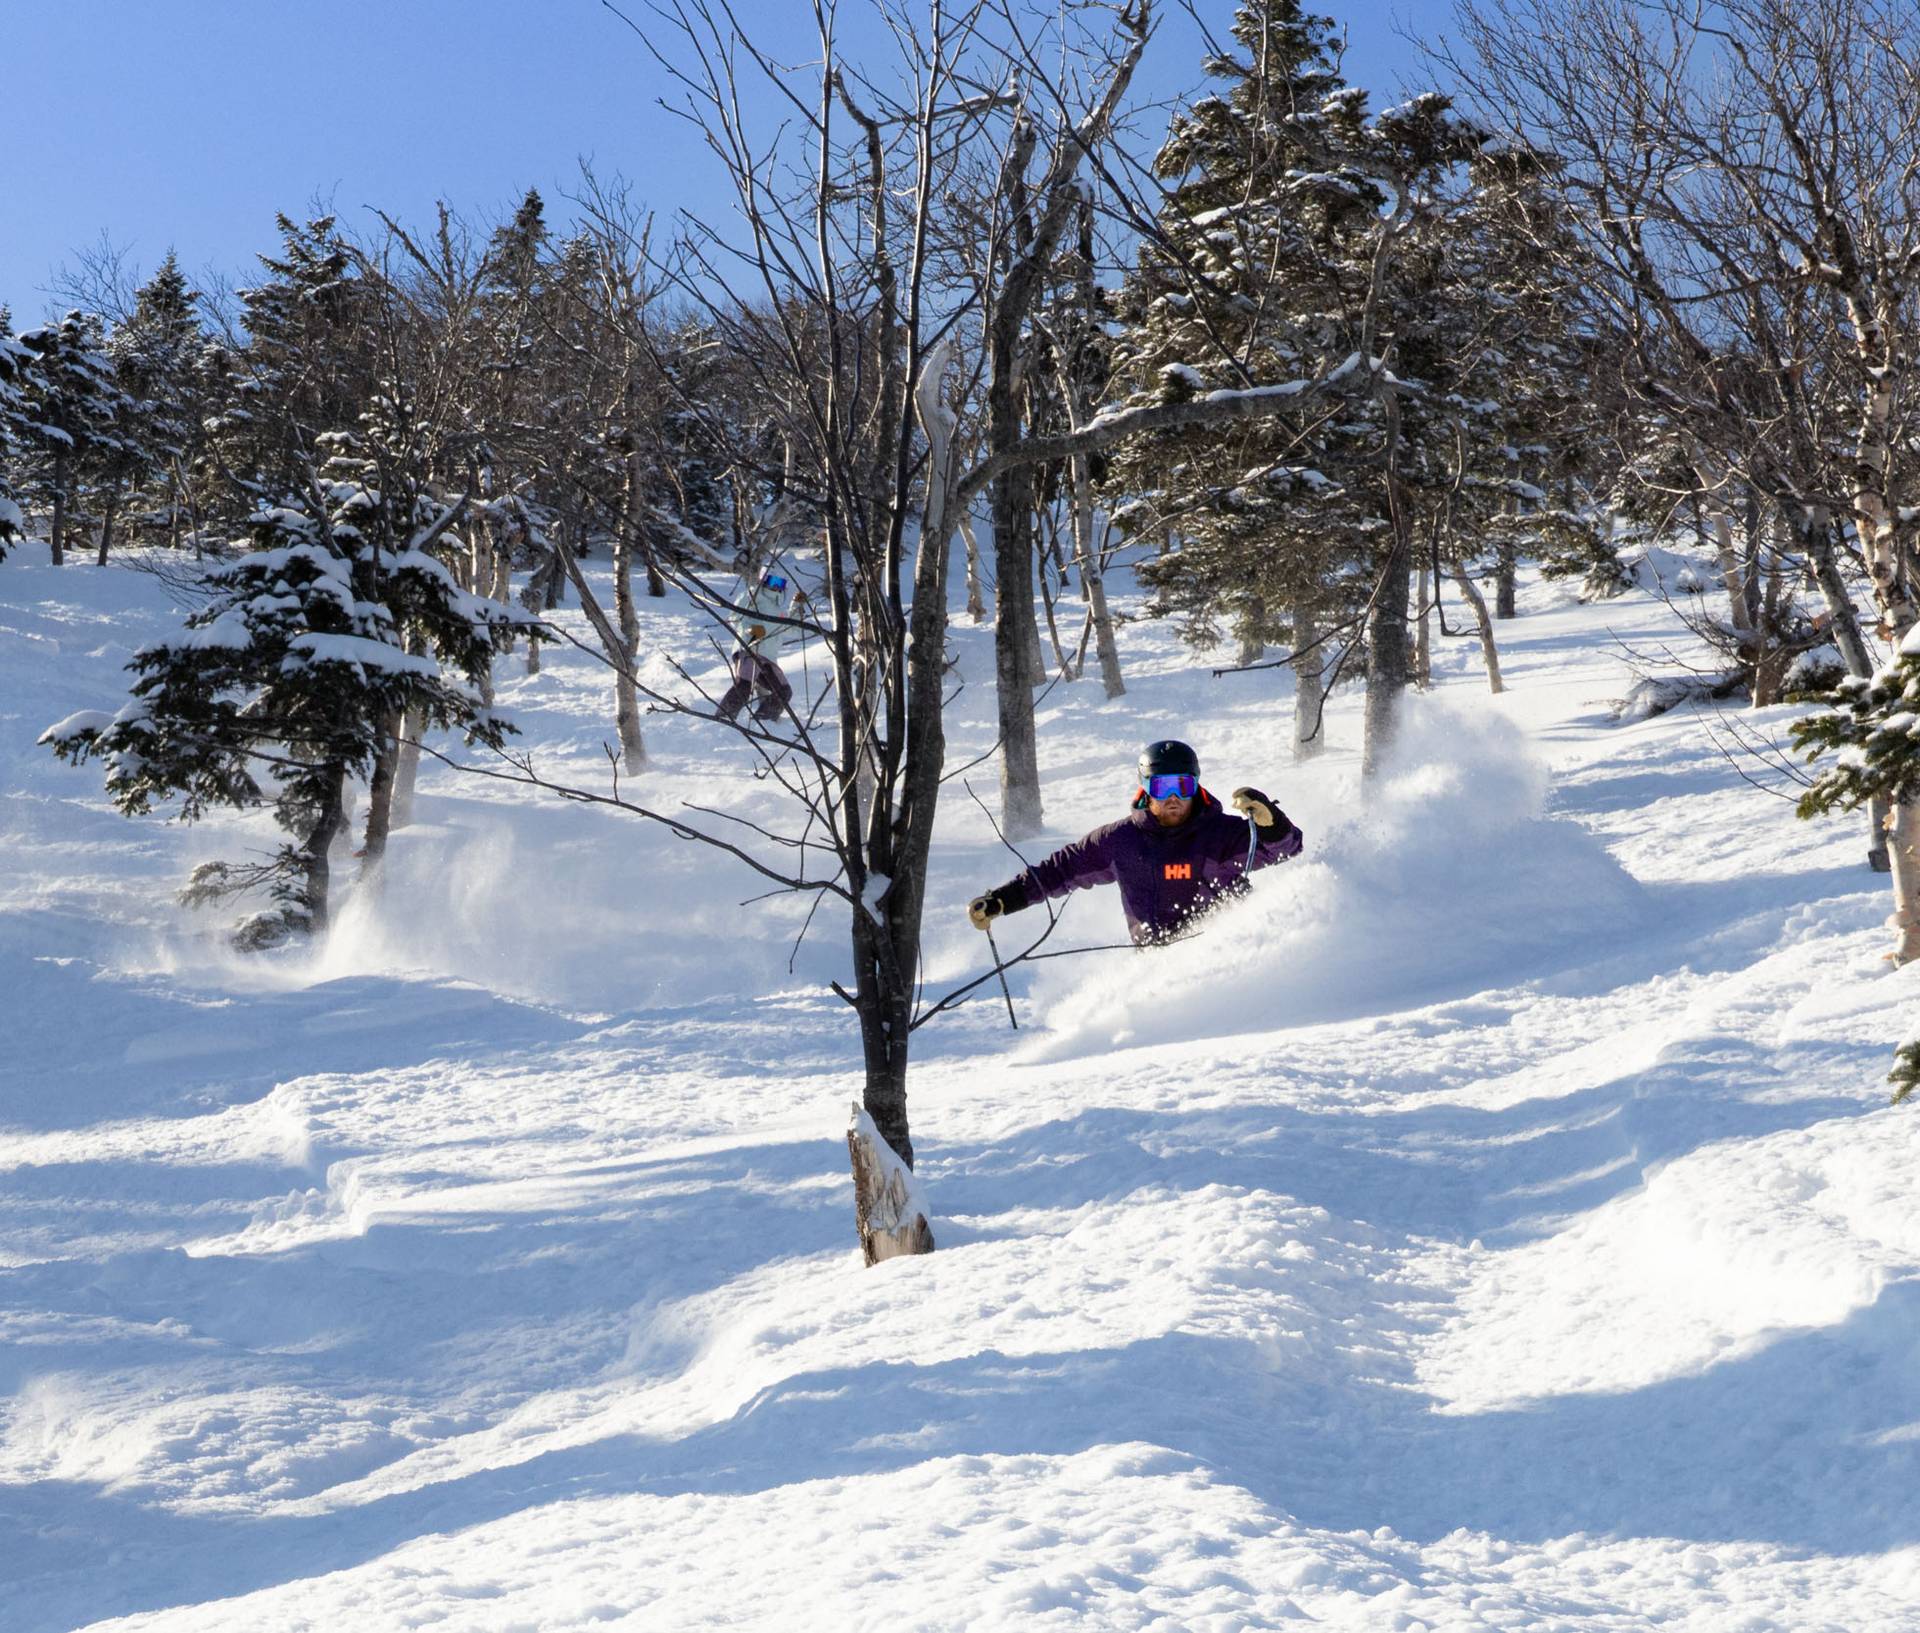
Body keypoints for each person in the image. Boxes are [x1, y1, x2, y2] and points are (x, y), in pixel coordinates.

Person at [968, 739, 1302, 946]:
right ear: (1145, 789)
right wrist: (1002, 900)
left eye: (1182, 786)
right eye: (1161, 787)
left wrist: (1270, 823)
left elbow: (1285, 848)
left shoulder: (1221, 833)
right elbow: (1060, 870)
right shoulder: (1120, 841)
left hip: (1228, 951)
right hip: (1156, 963)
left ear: (1196, 785)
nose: (1173, 798)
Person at [716, 560, 806, 723]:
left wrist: (796, 605)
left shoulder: (778, 611)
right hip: (750, 650)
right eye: (773, 581)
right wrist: (751, 630)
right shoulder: (752, 595)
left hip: (768, 658)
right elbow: (735, 617)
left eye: (781, 583)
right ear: (764, 580)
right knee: (744, 685)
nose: (776, 586)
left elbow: (795, 629)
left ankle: (763, 721)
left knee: (784, 691)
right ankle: (723, 718)